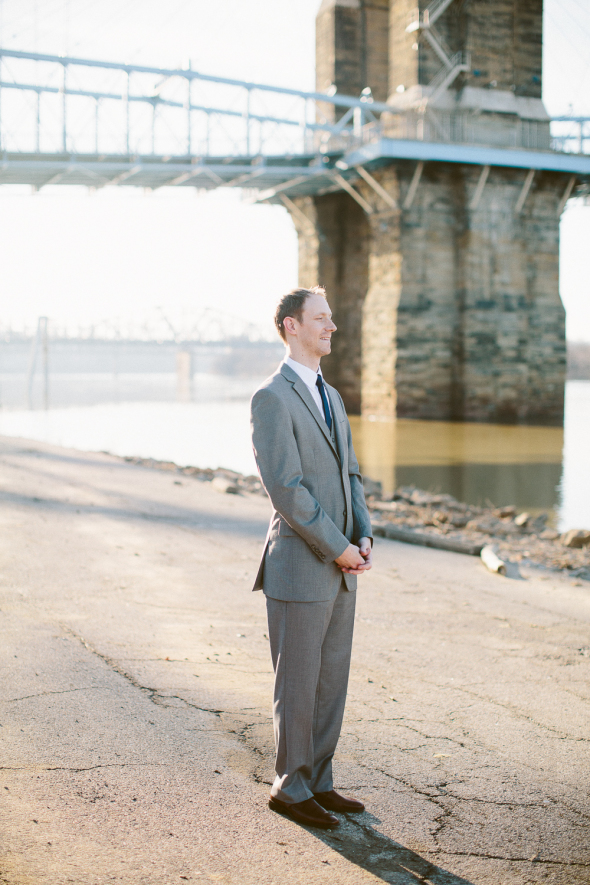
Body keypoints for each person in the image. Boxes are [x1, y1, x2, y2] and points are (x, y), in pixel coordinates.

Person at [250, 285, 373, 830]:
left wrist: (364, 535)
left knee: (330, 681)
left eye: (331, 318)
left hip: (343, 565)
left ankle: (319, 781)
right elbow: (288, 490)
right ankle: (289, 788)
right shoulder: (271, 398)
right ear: (290, 326)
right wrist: (339, 547)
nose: (332, 327)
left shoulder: (332, 394)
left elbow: (350, 473)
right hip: (300, 565)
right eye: (321, 319)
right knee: (297, 684)